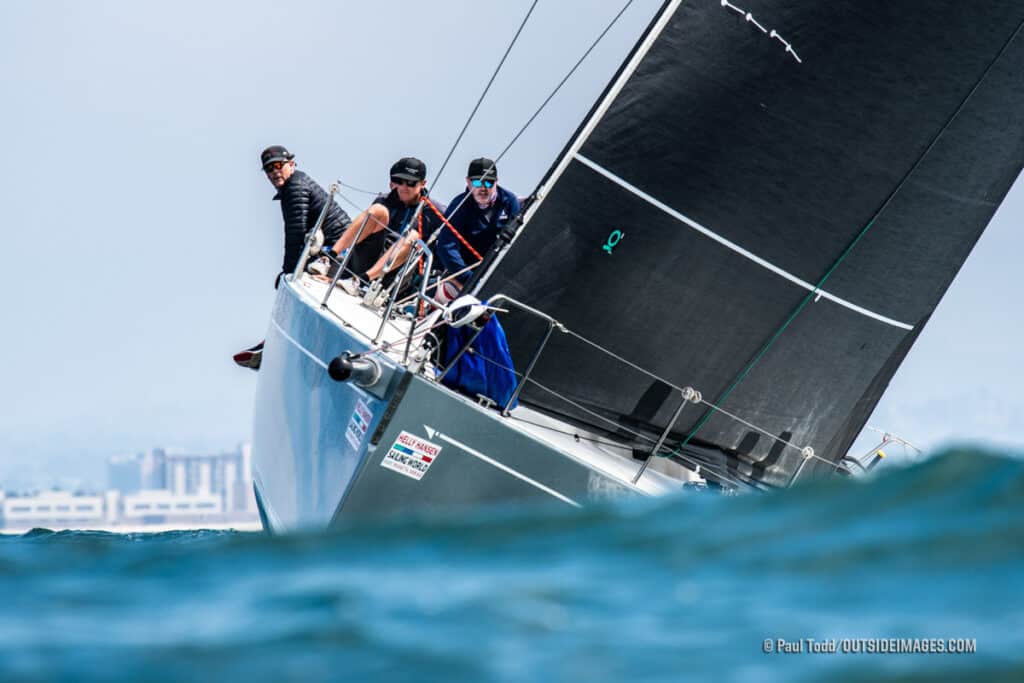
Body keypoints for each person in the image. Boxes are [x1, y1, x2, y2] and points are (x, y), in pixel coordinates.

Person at [233, 145, 352, 369]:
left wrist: (288, 271)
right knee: (293, 283)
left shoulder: (295, 188)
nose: (275, 172)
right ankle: (274, 342)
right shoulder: (295, 185)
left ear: (292, 165)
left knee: (292, 284)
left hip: (338, 254)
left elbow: (295, 234)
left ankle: (278, 342)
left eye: (279, 165)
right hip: (330, 251)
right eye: (269, 169)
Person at [434, 157, 521, 300]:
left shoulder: (510, 202)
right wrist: (470, 279)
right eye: (477, 182)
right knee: (446, 292)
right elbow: (446, 246)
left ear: (496, 182)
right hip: (466, 271)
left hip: (497, 273)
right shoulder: (459, 205)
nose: (483, 187)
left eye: (488, 182)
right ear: (468, 182)